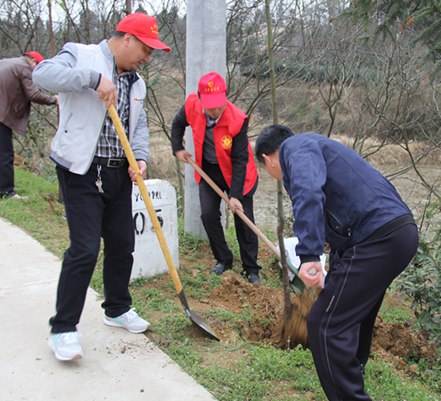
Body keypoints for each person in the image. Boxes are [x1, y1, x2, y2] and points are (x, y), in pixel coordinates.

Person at [32, 12, 171, 362]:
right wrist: (92, 79)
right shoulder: (81, 54)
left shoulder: (137, 84)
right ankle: (63, 328)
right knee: (84, 248)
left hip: (118, 173)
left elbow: (138, 127)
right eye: (145, 48)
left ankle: (117, 307)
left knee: (123, 244)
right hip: (81, 170)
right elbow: (42, 75)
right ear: (126, 38)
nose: (147, 57)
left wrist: (139, 159)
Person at [254, 125, 419, 401]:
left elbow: (309, 193)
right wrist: (333, 264)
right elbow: (343, 214)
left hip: (376, 238)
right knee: (354, 318)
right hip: (397, 234)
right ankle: (353, 380)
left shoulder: (296, 148)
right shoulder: (321, 147)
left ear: (268, 159)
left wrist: (309, 256)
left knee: (325, 324)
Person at [170, 71, 262, 285]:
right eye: (210, 106)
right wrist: (177, 148)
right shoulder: (192, 105)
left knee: (244, 220)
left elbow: (240, 160)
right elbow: (177, 124)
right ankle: (224, 259)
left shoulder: (237, 120)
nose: (215, 110)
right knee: (209, 215)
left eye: (219, 105)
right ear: (200, 100)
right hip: (209, 170)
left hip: (238, 175)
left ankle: (251, 268)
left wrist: (236, 196)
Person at [0, 51, 57, 199]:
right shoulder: (24, 68)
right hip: (1, 115)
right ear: (33, 62)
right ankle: (6, 191)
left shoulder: (7, 61)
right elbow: (33, 95)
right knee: (5, 154)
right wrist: (54, 99)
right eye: (38, 67)